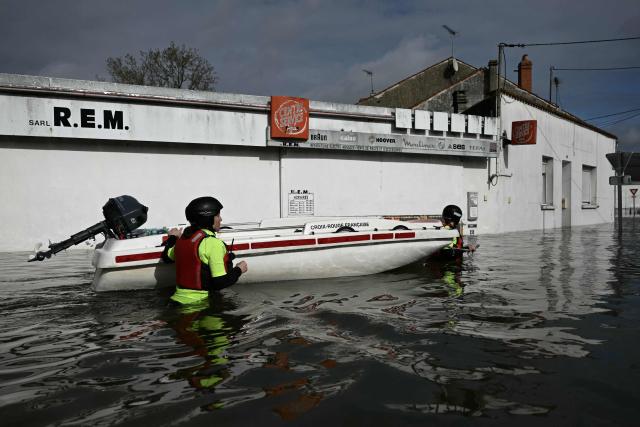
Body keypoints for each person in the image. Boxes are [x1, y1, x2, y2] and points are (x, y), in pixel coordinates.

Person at [162, 196, 248, 305]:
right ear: (208, 218)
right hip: (198, 305)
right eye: (217, 215)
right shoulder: (213, 243)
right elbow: (220, 282)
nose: (220, 219)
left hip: (175, 302)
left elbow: (166, 257)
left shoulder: (183, 240)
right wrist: (239, 269)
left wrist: (173, 237)